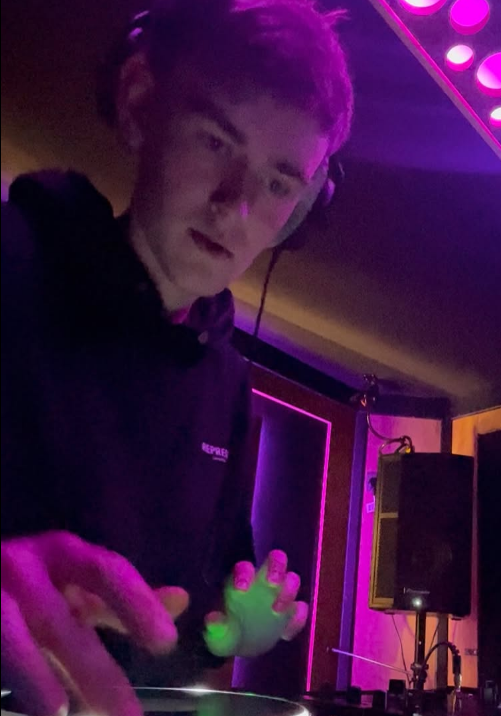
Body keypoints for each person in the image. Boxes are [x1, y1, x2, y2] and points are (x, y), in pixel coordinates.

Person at [0, 0, 353, 714]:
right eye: (217, 142)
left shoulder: (229, 384)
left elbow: (191, 617)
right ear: (139, 104)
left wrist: (233, 632)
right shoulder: (14, 260)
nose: (235, 206)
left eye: (278, 183)